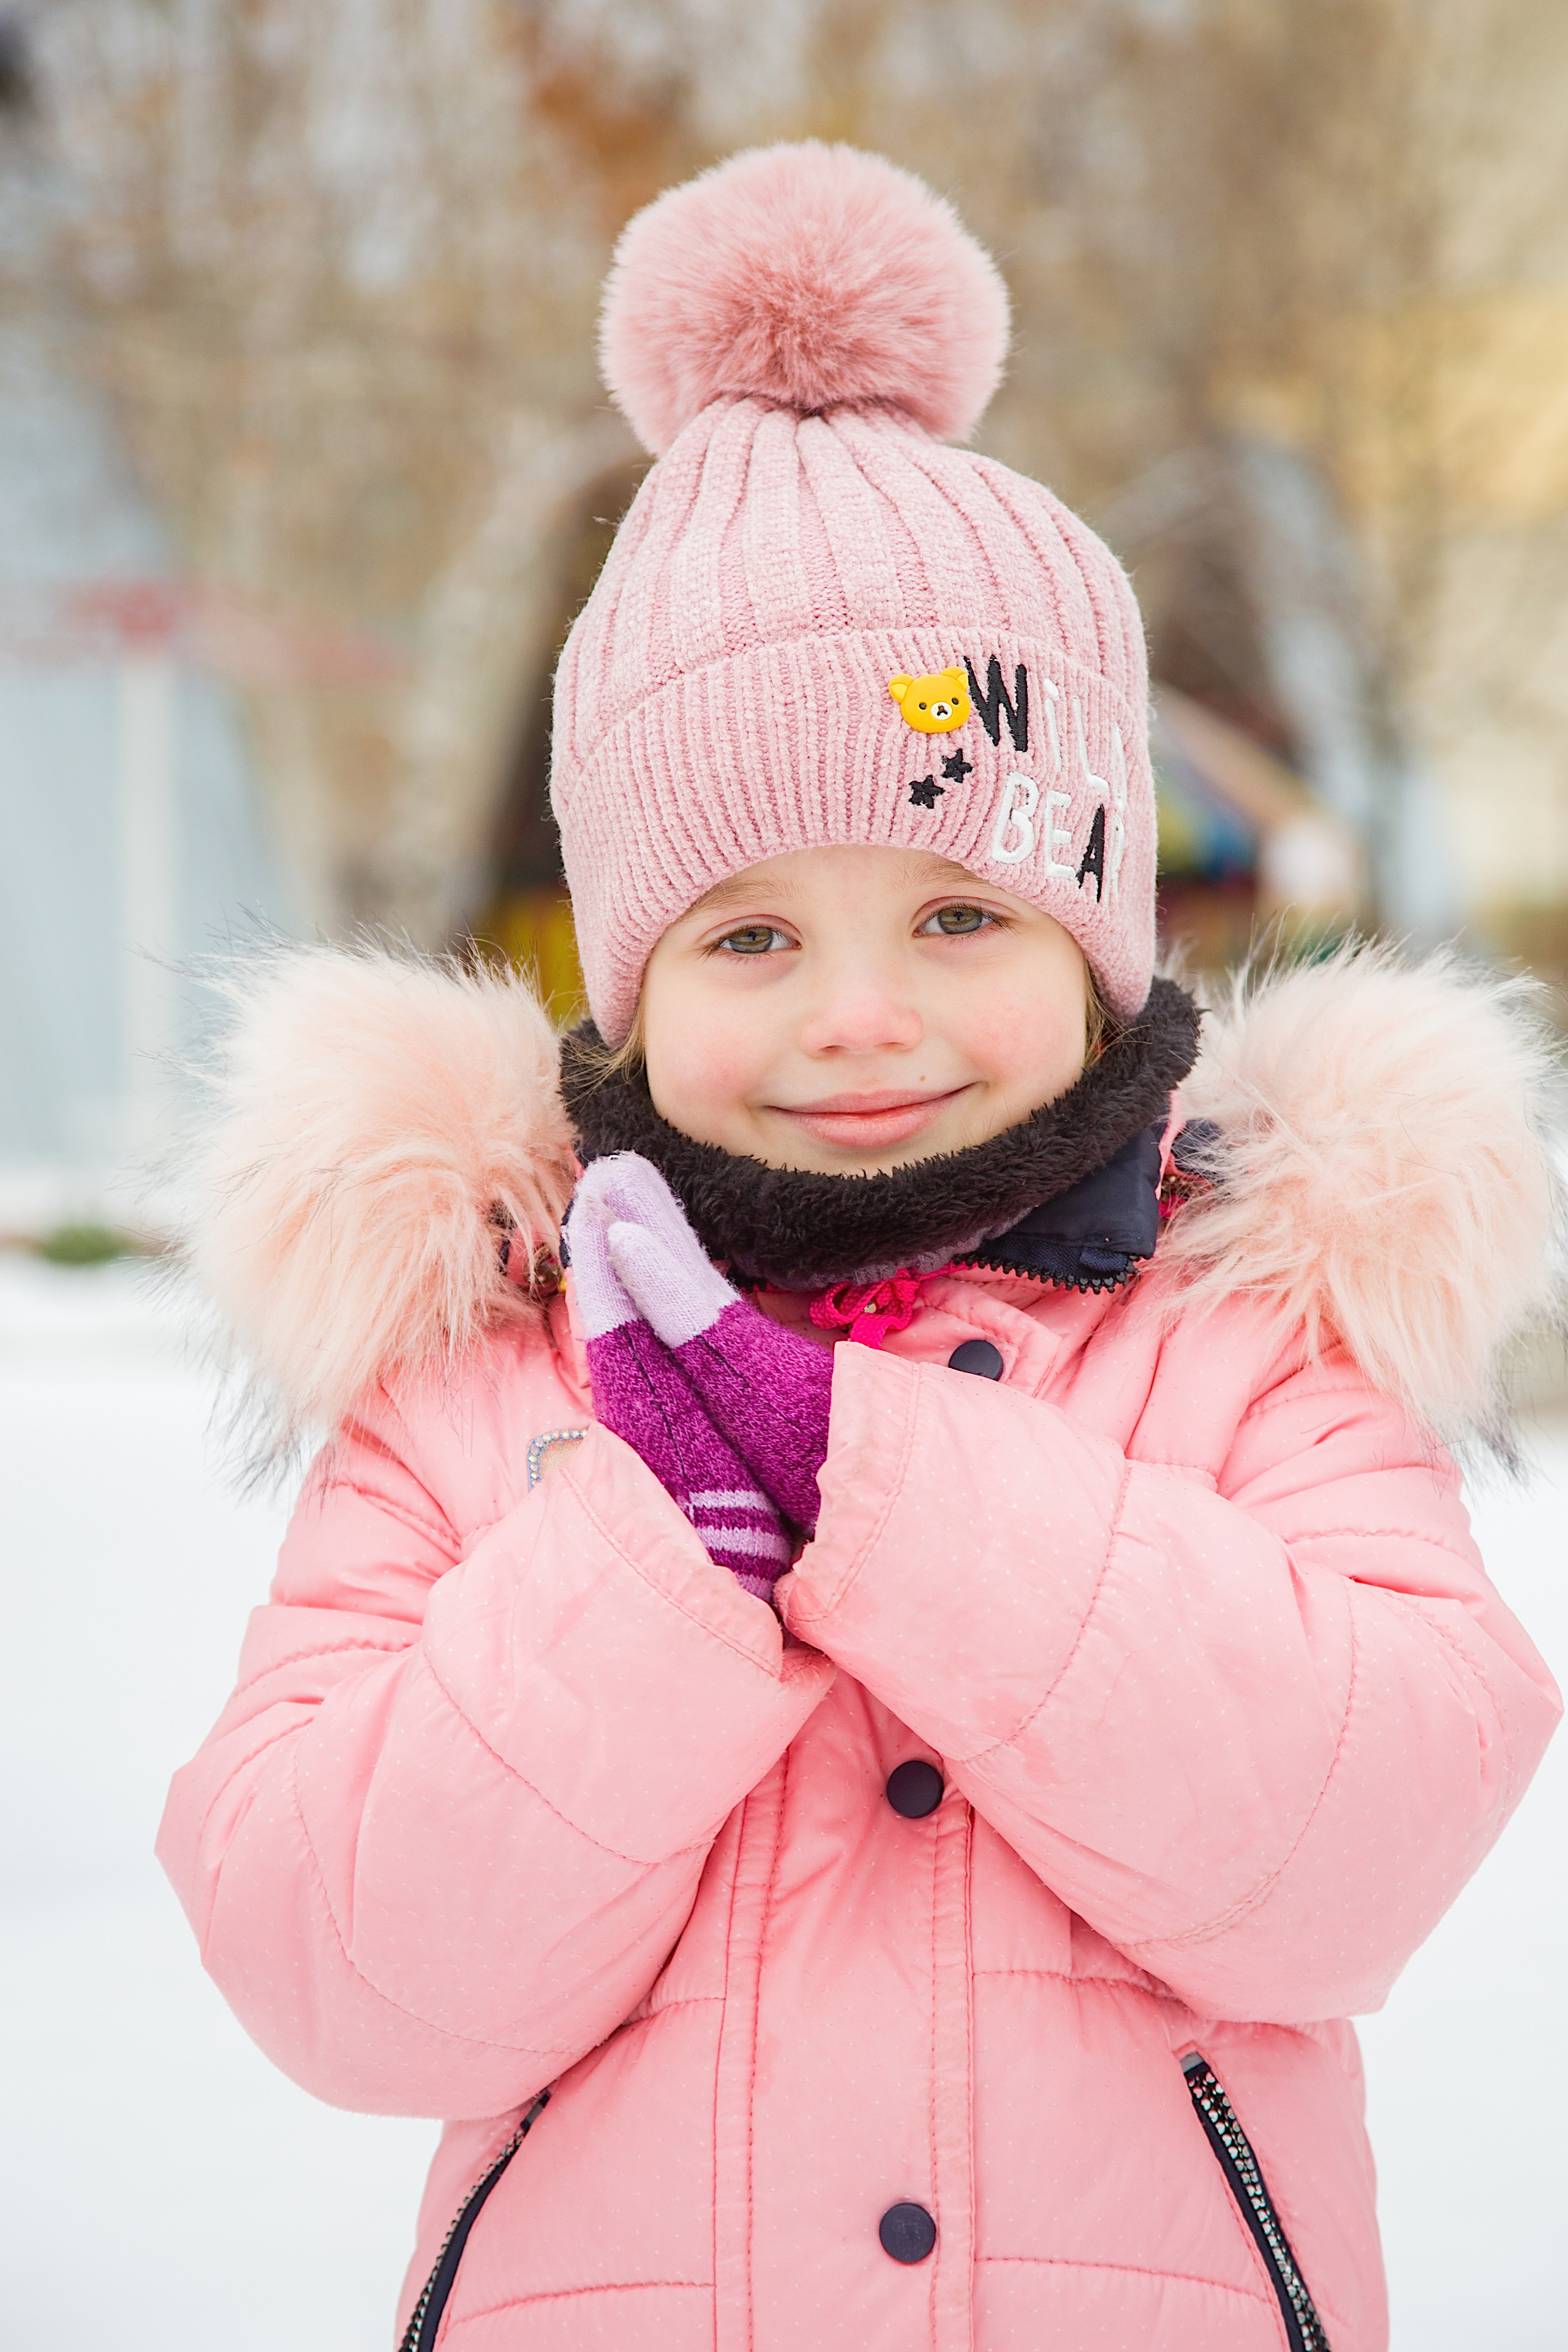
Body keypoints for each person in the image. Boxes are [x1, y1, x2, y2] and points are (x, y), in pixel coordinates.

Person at [159, 144, 1561, 2352]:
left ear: (1097, 939)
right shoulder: (486, 1377)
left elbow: (1351, 1856)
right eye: (747, 933)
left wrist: (874, 1481)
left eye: (954, 911)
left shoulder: (1250, 1335)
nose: (858, 1013)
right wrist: (664, 1548)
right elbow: (339, 1977)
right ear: (623, 978)